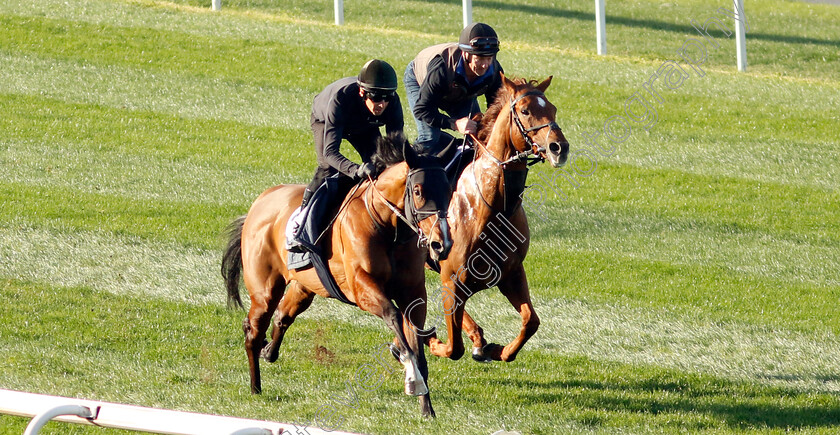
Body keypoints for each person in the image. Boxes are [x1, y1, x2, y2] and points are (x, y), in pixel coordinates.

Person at [286, 59, 404, 252]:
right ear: (362, 92)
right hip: (326, 118)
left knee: (383, 166)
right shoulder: (340, 99)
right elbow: (330, 153)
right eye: (375, 97)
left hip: (364, 125)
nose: (381, 104)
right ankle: (302, 219)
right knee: (327, 166)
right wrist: (356, 170)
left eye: (386, 98)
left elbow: (395, 150)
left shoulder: (393, 103)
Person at [404, 22, 504, 155]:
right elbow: (422, 109)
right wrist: (455, 124)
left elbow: (497, 108)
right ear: (466, 54)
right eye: (479, 58)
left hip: (458, 92)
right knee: (429, 138)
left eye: (489, 58)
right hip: (419, 79)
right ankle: (406, 168)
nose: (485, 65)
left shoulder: (495, 71)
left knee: (479, 137)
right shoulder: (442, 68)